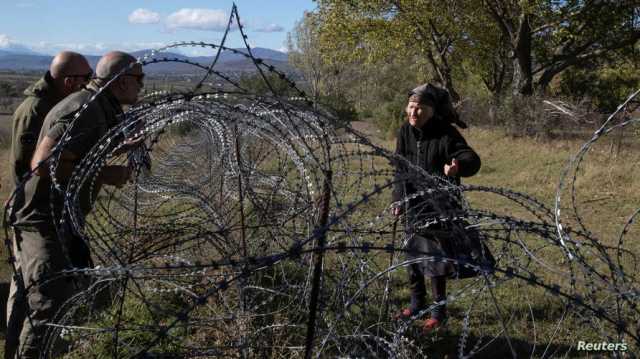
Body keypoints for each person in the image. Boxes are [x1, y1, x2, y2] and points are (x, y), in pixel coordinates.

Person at [9, 51, 144, 358]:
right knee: (49, 306)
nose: (142, 86)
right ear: (122, 82)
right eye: (139, 79)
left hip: (61, 218)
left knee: (62, 298)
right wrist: (104, 171)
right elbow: (42, 163)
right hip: (43, 220)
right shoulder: (86, 109)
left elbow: (83, 148)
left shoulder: (100, 106)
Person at [5, 51, 92, 359]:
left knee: (36, 289)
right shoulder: (36, 110)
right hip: (36, 213)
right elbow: (26, 169)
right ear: (70, 81)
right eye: (86, 79)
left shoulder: (57, 105)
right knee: (32, 293)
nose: (90, 84)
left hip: (53, 212)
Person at [392, 83, 492, 332]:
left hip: (440, 206)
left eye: (421, 109)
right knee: (412, 256)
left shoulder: (446, 133)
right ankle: (416, 303)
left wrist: (459, 167)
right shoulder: (405, 131)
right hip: (413, 203)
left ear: (432, 111)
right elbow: (399, 169)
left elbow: (471, 158)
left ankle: (438, 311)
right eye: (411, 107)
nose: (414, 113)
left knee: (435, 260)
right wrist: (398, 198)